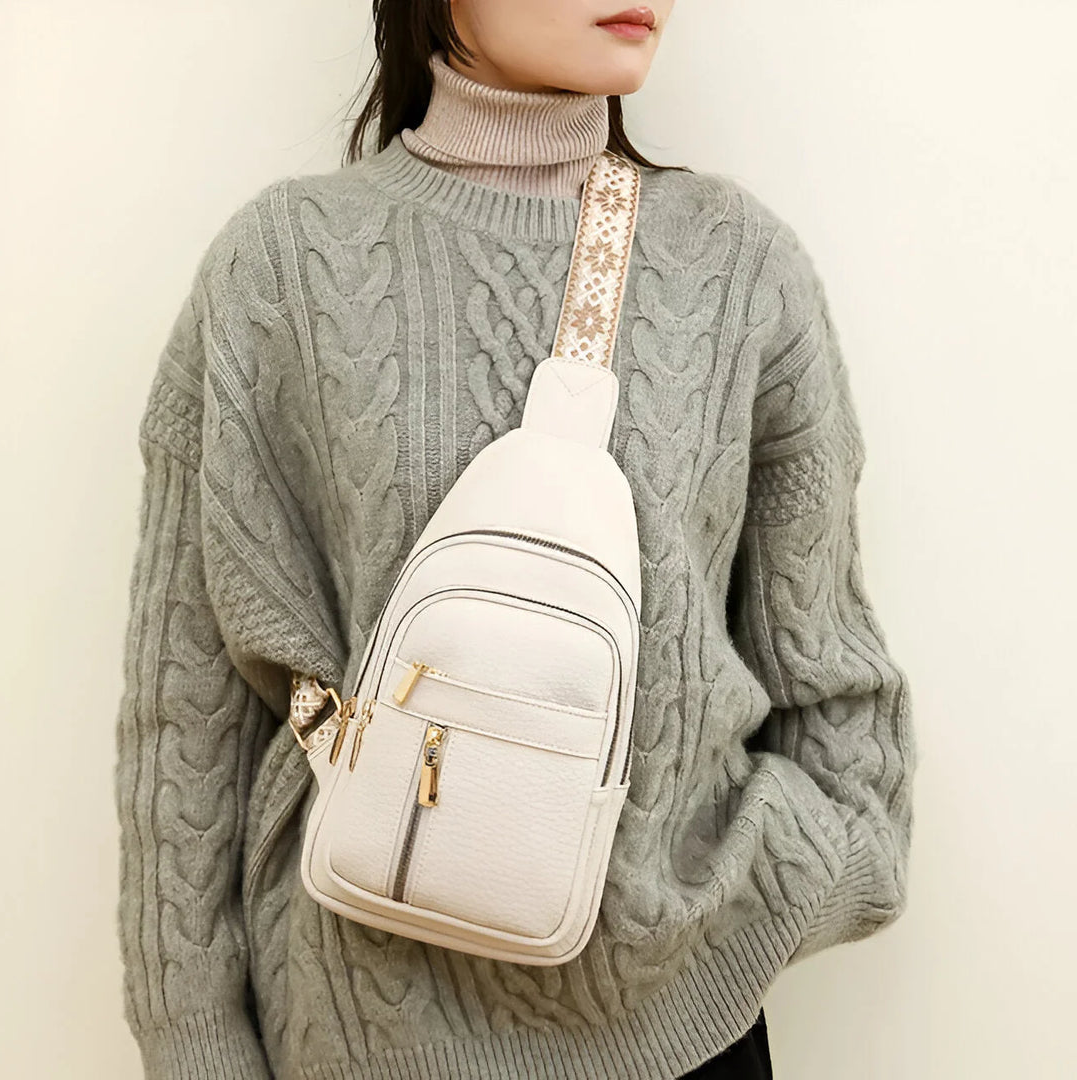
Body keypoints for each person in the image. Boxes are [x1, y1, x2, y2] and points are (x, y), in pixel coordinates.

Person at [113, 2, 917, 1078]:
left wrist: (755, 885)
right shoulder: (279, 270)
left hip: (686, 1043)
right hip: (360, 1044)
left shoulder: (740, 269)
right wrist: (196, 1046)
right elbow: (189, 717)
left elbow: (835, 687)